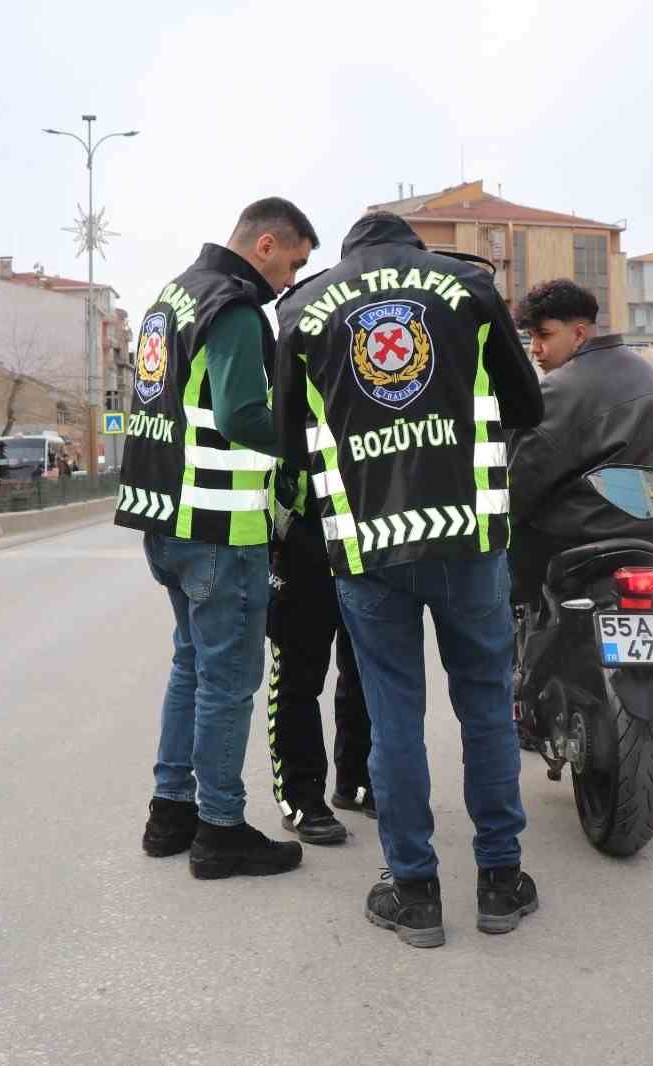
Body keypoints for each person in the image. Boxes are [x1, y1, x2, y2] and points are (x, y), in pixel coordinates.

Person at [272, 211, 543, 949]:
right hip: (468, 533)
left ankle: (415, 891)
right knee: (486, 705)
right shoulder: (470, 287)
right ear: (413, 247)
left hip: (366, 544)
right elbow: (527, 405)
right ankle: (499, 880)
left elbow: (287, 439)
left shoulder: (302, 307)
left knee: (394, 716)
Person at [120, 197, 319, 881]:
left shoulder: (169, 299)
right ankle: (221, 829)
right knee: (229, 681)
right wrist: (309, 446)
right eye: (292, 264)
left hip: (164, 519)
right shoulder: (233, 307)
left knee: (192, 667)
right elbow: (240, 415)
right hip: (219, 525)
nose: (289, 282)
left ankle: (169, 812)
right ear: (265, 244)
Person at [506, 278, 653, 608]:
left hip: (580, 537)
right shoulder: (645, 372)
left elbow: (523, 480)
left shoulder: (561, 388)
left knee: (493, 587)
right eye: (531, 337)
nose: (535, 349)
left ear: (578, 333)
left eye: (544, 335)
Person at [262, 458, 375, 845]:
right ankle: (300, 797)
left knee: (368, 665)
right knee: (298, 673)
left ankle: (358, 778)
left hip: (367, 515)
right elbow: (247, 421)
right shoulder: (285, 392)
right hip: (304, 524)